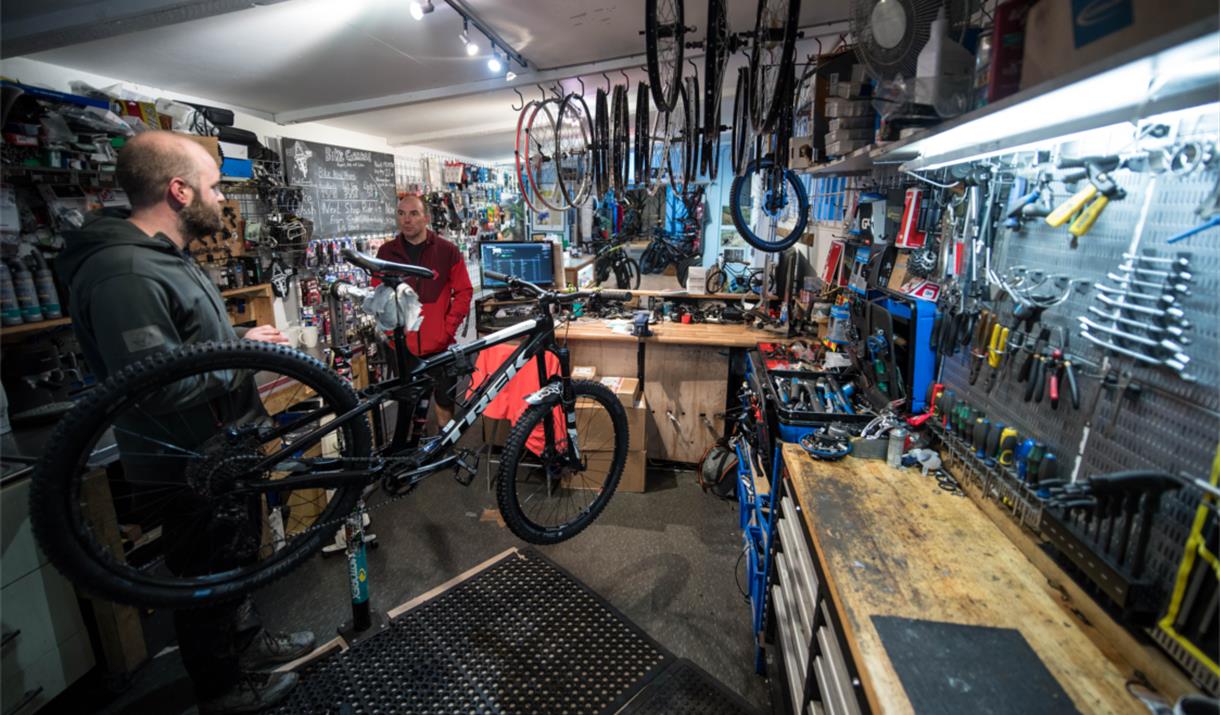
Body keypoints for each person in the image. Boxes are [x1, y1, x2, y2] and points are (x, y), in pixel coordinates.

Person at [56, 131, 312, 714]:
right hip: (188, 463)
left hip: (225, 447)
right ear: (179, 190)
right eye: (216, 186)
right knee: (206, 580)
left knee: (238, 561)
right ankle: (221, 688)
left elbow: (189, 346)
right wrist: (244, 360)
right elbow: (158, 384)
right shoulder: (124, 273)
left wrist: (239, 340)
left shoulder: (167, 257)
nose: (223, 199)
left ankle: (249, 645)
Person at [376, 194, 473, 429]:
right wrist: (391, 334)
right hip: (400, 347)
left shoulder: (447, 250)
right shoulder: (386, 253)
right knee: (407, 405)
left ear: (426, 218)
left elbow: (464, 291)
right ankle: (410, 456)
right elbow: (378, 296)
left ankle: (444, 450)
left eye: (413, 213)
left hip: (439, 346)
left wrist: (447, 329)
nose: (406, 220)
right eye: (401, 214)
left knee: (444, 402)